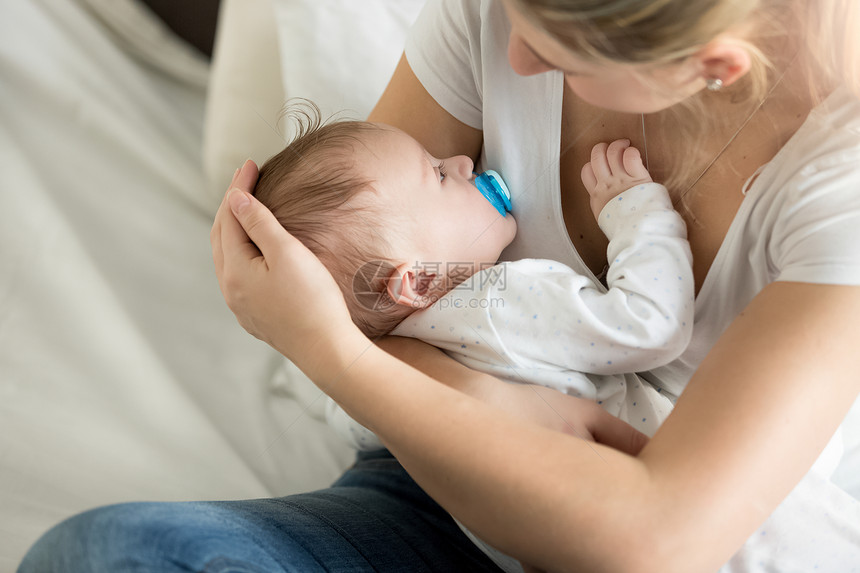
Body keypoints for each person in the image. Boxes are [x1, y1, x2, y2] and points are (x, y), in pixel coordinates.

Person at [20, 0, 860, 571]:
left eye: (559, 45)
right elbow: (360, 285)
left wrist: (331, 352)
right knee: (111, 551)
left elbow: (652, 537)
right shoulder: (497, 14)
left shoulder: (840, 181)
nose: (515, 50)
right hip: (432, 495)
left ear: (711, 64)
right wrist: (491, 413)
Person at [252, 110, 690, 450]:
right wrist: (637, 216)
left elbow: (359, 428)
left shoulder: (384, 373)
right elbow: (651, 326)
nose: (463, 161)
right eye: (439, 174)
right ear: (419, 282)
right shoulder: (496, 304)